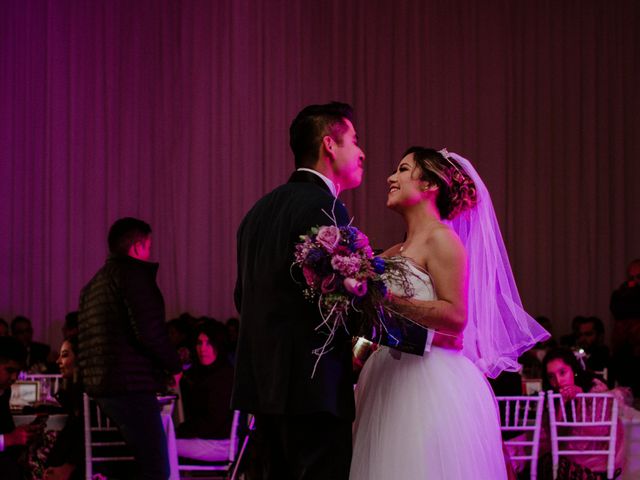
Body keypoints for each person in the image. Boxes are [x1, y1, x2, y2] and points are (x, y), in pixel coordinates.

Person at [350, 147, 548, 479]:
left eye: (402, 169)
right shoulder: (393, 251)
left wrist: (386, 300)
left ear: (429, 185)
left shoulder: (443, 240)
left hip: (427, 378)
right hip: (386, 374)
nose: (390, 178)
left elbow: (456, 316)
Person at [233, 102, 365, 480]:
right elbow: (335, 302)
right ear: (329, 145)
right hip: (313, 387)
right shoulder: (326, 207)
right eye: (354, 141)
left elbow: (243, 297)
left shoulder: (256, 213)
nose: (361, 152)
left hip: (264, 387)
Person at [77, 217, 181, 480]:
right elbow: (149, 332)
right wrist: (174, 366)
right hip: (130, 386)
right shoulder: (134, 276)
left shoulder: (92, 286)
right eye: (147, 246)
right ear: (137, 247)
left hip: (101, 390)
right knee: (156, 467)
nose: (149, 253)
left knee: (130, 467)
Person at [537, 347, 624, 479]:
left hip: (597, 466)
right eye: (551, 376)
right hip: (567, 460)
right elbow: (553, 440)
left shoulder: (595, 388)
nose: (558, 381)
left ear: (573, 370)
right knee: (541, 462)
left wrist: (581, 398)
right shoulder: (554, 398)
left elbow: (597, 433)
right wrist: (562, 405)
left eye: (562, 372)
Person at [176, 321, 234, 459]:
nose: (202, 348)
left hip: (220, 443)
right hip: (211, 438)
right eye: (199, 343)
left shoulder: (223, 376)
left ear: (218, 345)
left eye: (208, 343)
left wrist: (180, 431)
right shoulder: (205, 373)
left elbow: (213, 422)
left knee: (160, 445)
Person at [0, 336, 39, 480]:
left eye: (17, 372)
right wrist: (9, 439)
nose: (14, 377)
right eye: (9, 370)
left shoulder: (5, 390)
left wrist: (22, 433)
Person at [610, 259, 640, 398]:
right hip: (626, 354)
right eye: (631, 277)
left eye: (638, 277)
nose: (633, 282)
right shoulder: (621, 294)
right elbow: (617, 310)